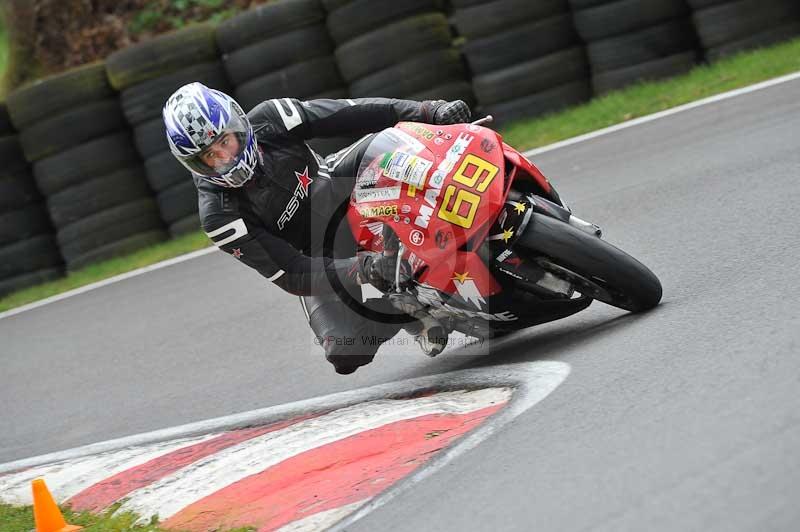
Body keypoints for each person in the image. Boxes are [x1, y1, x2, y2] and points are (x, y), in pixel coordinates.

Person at [162, 82, 471, 374]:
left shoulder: (272, 117)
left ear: (238, 125)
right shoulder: (219, 216)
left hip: (340, 185)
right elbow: (292, 273)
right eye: (210, 157)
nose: (225, 159)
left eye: (224, 142)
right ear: (194, 164)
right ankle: (405, 307)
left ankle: (471, 179)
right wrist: (366, 268)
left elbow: (351, 112)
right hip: (316, 252)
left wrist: (428, 111)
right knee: (343, 351)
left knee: (392, 143)